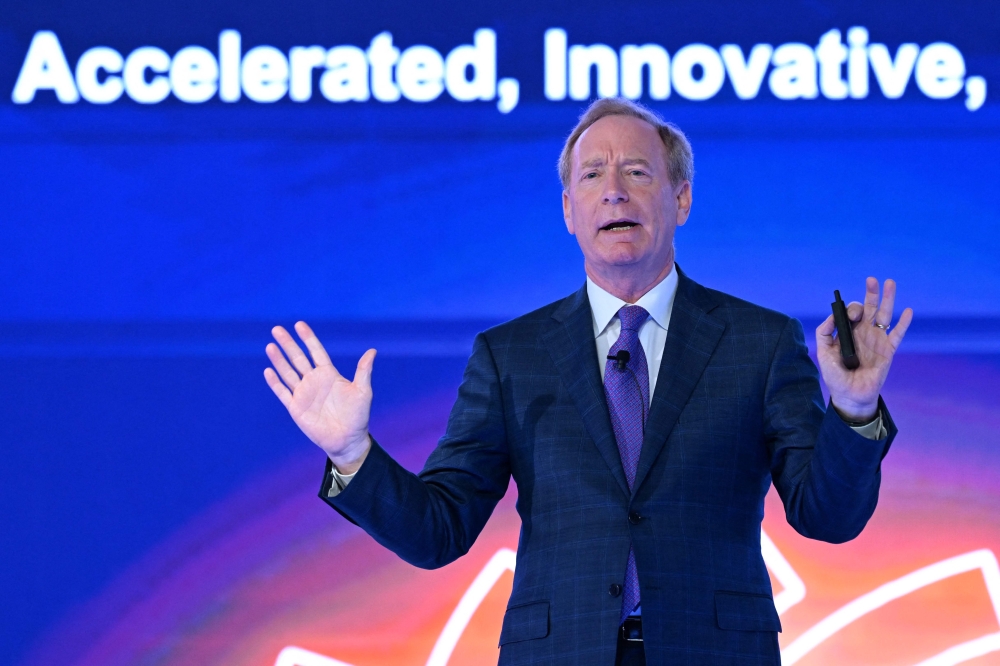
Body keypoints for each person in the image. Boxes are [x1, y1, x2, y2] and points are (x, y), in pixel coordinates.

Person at [263, 97, 912, 666]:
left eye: (636, 171)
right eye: (593, 175)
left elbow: (826, 517)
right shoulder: (511, 354)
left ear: (680, 198)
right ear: (569, 210)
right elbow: (439, 530)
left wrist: (853, 407)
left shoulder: (759, 342)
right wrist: (353, 454)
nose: (615, 191)